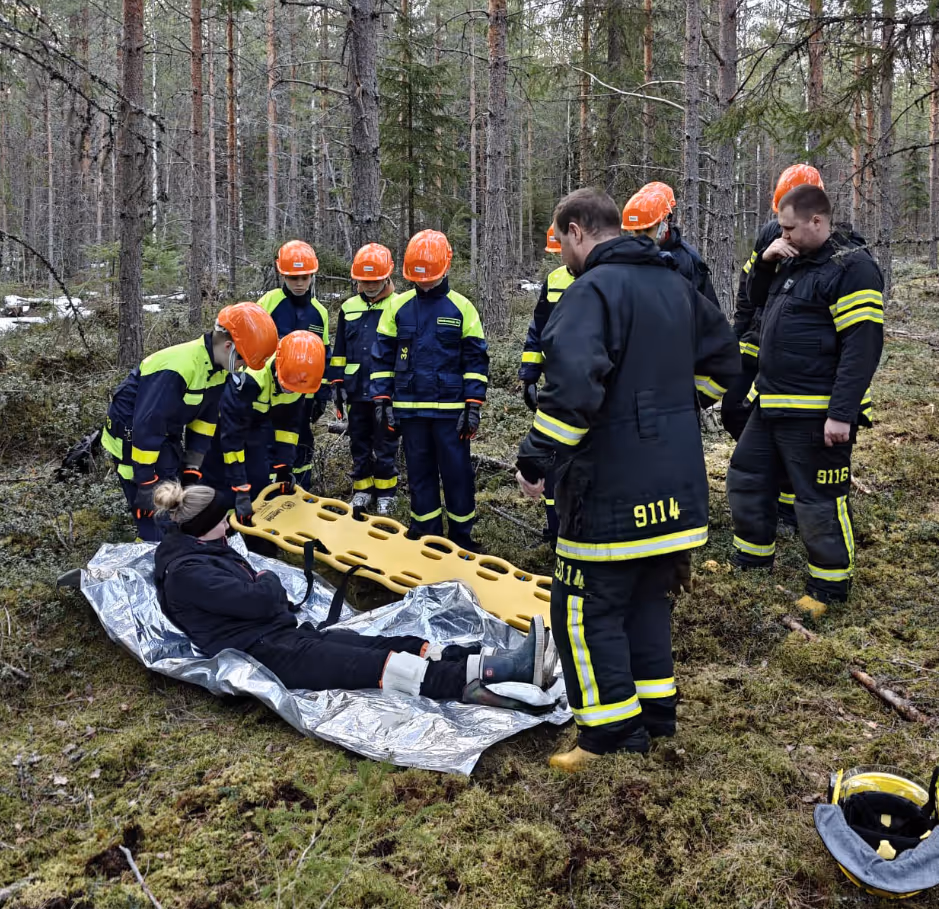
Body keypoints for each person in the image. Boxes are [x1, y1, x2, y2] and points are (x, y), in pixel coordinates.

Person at [515, 188, 739, 771]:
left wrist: (535, 461)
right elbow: (725, 364)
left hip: (608, 491)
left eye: (561, 241)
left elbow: (569, 397)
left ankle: (609, 733)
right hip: (678, 493)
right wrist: (673, 410)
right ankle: (656, 716)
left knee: (580, 609)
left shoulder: (590, 293)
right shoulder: (676, 285)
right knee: (647, 600)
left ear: (576, 231)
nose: (562, 254)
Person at [151, 481, 555, 711]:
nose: (228, 527)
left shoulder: (201, 551)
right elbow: (260, 596)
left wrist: (263, 583)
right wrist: (266, 581)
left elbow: (257, 592)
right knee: (387, 665)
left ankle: (501, 664)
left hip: (285, 637)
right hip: (268, 653)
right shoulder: (188, 573)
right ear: (203, 526)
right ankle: (503, 675)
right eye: (222, 522)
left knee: (400, 643)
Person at [726, 184, 883, 605]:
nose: (784, 235)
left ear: (817, 221)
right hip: (772, 400)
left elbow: (862, 346)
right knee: (747, 477)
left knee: (818, 501)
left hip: (816, 410)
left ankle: (828, 588)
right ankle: (752, 562)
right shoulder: (792, 260)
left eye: (789, 228)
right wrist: (764, 262)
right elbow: (755, 303)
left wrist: (842, 413)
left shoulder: (853, 268)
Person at [101, 302, 278, 541]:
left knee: (174, 489)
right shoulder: (179, 368)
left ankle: (170, 545)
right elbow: (148, 427)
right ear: (229, 347)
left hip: (164, 430)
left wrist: (192, 466)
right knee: (156, 509)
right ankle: (151, 550)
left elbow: (204, 421)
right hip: (133, 437)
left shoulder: (218, 370)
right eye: (242, 360)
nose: (243, 367)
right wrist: (144, 481)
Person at [370, 229, 489, 550]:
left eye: (429, 277)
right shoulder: (398, 308)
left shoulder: (462, 308)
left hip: (451, 412)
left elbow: (476, 360)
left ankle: (462, 536)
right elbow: (381, 357)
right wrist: (382, 400)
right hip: (410, 410)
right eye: (418, 278)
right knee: (419, 473)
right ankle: (426, 532)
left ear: (446, 268)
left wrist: (473, 405)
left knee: (458, 474)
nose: (423, 283)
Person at [722, 164, 826, 527]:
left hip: (795, 362)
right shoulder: (770, 234)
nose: (784, 227)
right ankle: (775, 484)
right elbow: (748, 287)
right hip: (755, 340)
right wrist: (738, 334)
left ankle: (786, 500)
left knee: (787, 428)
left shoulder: (832, 246)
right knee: (734, 410)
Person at [219, 330, 326, 527]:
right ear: (279, 364)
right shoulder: (252, 380)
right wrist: (240, 486)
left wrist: (284, 467)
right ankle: (224, 529)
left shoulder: (300, 380)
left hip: (259, 422)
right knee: (229, 481)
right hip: (229, 424)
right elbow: (232, 435)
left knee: (261, 475)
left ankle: (258, 531)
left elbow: (288, 427)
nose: (291, 391)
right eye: (289, 384)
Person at [329, 243, 401, 515]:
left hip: (386, 389)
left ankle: (386, 493)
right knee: (358, 441)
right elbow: (339, 351)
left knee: (385, 442)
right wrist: (336, 384)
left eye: (375, 280)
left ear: (387, 276)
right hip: (355, 388)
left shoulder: (399, 304)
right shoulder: (348, 307)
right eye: (364, 280)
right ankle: (362, 490)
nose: (370, 285)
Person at [257, 240, 333, 489]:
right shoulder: (269, 302)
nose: (299, 283)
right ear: (282, 275)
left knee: (302, 442)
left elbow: (324, 353)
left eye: (304, 277)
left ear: (312, 275)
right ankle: (268, 491)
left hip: (305, 392)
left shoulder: (319, 311)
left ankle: (301, 488)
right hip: (270, 392)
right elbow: (251, 344)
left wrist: (322, 393)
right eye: (293, 278)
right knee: (269, 442)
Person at [518, 227, 575, 545]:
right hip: (555, 383)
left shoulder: (599, 279)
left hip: (586, 388)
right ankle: (554, 530)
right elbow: (537, 331)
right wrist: (529, 374)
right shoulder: (553, 281)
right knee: (552, 460)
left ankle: (574, 532)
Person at [638, 181, 720, 308]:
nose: (642, 234)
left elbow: (709, 312)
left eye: (649, 226)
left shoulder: (688, 260)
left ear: (667, 218)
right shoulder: (629, 255)